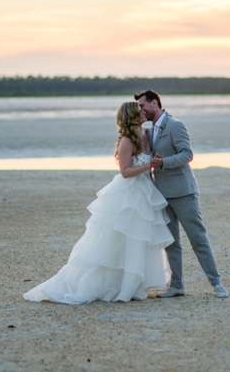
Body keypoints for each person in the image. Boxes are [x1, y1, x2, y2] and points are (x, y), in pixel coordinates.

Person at [23, 101, 173, 304]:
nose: (144, 112)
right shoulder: (127, 141)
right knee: (119, 239)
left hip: (146, 192)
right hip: (129, 194)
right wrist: (149, 164)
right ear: (131, 116)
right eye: (139, 111)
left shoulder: (146, 135)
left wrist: (153, 161)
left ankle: (133, 285)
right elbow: (125, 172)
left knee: (139, 239)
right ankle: (110, 286)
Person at [134, 89, 229, 299]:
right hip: (161, 194)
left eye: (142, 106)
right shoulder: (149, 132)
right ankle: (177, 286)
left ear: (155, 103)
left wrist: (164, 163)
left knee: (198, 239)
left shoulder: (175, 125)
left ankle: (217, 283)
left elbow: (187, 154)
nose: (140, 110)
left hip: (183, 192)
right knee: (171, 242)